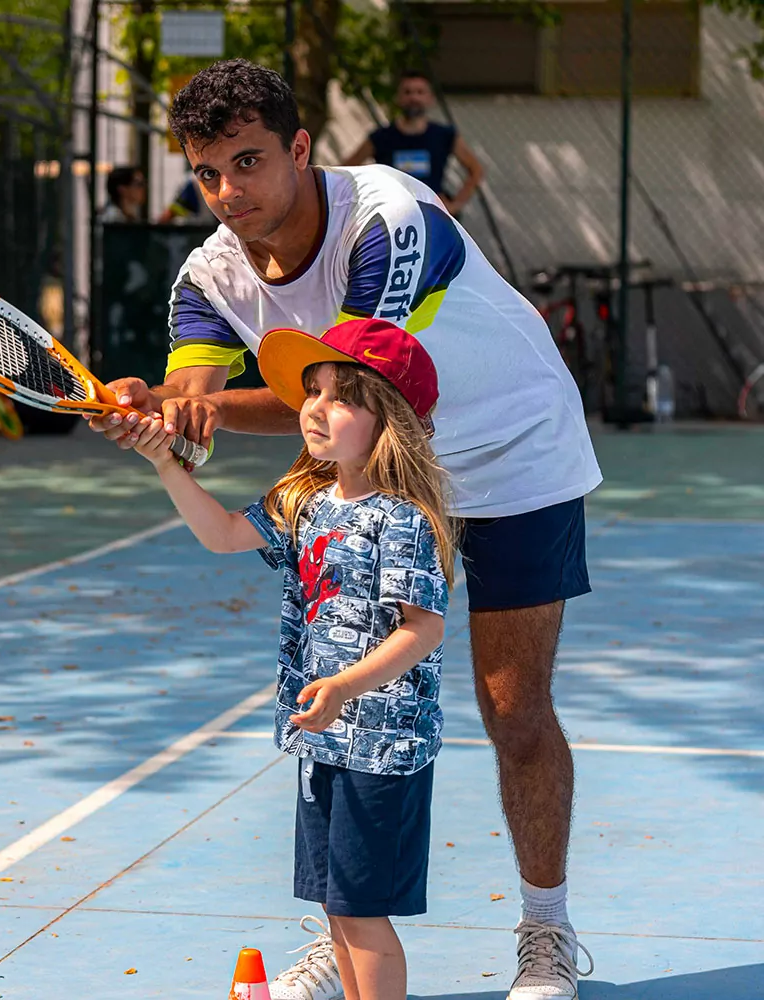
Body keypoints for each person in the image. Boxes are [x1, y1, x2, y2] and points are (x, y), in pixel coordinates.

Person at [89, 59, 601, 1000]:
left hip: (514, 453)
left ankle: (546, 929)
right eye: (205, 173)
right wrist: (151, 411)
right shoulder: (208, 274)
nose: (227, 192)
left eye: (247, 162)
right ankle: (348, 932)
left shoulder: (388, 220)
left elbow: (349, 397)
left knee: (513, 707)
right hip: (389, 473)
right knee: (348, 708)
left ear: (299, 147)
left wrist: (168, 406)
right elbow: (199, 404)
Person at [132, 318, 454, 1000]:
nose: (315, 407)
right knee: (338, 906)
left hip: (382, 746)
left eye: (341, 396)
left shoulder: (400, 517)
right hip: (323, 737)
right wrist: (168, 464)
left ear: (387, 419)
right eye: (313, 391)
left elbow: (422, 630)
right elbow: (221, 534)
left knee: (364, 913)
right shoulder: (303, 501)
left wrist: (343, 685)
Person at [344, 70, 484, 218]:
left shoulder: (444, 135)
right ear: (398, 98)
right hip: (392, 216)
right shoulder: (380, 137)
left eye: (420, 92)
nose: (414, 97)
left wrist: (455, 205)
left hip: (432, 216)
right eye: (407, 92)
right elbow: (345, 170)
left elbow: (476, 170)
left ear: (430, 98)